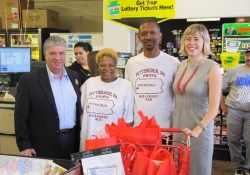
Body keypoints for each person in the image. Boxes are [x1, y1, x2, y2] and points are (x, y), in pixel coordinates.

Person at [14, 35, 82, 160]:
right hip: (42, 144)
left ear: (65, 54)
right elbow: (20, 117)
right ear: (45, 54)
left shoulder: (74, 76)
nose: (57, 57)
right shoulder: (29, 80)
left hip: (71, 142)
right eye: (53, 53)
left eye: (61, 53)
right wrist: (24, 145)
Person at [172, 24, 222, 175]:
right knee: (179, 167)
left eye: (196, 39)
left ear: (204, 42)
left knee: (197, 169)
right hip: (179, 127)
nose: (191, 43)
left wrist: (198, 130)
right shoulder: (181, 65)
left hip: (199, 129)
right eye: (188, 39)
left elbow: (214, 108)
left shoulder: (212, 68)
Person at [125, 19, 180, 130]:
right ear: (139, 38)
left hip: (165, 128)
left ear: (160, 36)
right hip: (138, 128)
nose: (148, 37)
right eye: (144, 34)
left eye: (152, 32)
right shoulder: (132, 63)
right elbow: (128, 97)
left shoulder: (174, 63)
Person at [79, 48, 134, 151]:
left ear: (116, 66)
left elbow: (128, 120)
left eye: (111, 65)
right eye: (102, 65)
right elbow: (79, 110)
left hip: (113, 144)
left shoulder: (125, 85)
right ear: (97, 66)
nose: (106, 68)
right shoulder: (89, 83)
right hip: (89, 142)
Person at [220, 47, 250, 175]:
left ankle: (248, 168)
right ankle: (238, 166)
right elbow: (218, 87)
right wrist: (223, 105)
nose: (249, 58)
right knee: (233, 139)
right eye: (247, 55)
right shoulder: (234, 71)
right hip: (234, 110)